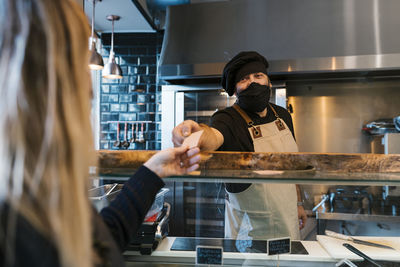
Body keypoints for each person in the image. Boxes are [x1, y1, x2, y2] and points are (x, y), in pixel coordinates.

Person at [0, 1, 200, 267]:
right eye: (77, 62)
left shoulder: (42, 199)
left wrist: (153, 172)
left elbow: (100, 240)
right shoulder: (16, 230)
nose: (90, 90)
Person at [172, 51, 307, 241]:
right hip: (251, 233)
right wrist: (197, 135)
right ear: (235, 90)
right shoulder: (228, 118)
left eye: (258, 76)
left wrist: (299, 203)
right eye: (244, 79)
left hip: (288, 223)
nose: (253, 83)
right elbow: (213, 136)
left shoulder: (282, 116)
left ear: (268, 82)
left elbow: (292, 167)